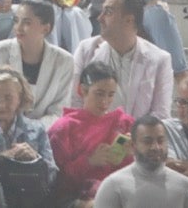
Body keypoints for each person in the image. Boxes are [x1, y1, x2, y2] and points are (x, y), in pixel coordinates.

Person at [0, 0, 75, 125]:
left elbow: (59, 110)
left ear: (46, 29)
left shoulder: (64, 61)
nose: (18, 28)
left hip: (44, 134)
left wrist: (32, 130)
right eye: (16, 21)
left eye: (27, 23)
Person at [72, 0, 174, 121]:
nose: (100, 18)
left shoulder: (160, 59)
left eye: (108, 12)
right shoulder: (86, 50)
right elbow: (75, 102)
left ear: (129, 20)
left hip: (137, 137)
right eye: (101, 11)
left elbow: (161, 114)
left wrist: (129, 137)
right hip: (90, 136)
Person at [50, 61, 135, 206]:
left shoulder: (125, 124)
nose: (105, 101)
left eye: (110, 95)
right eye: (99, 94)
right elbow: (56, 180)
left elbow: (142, 171)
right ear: (83, 90)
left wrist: (132, 155)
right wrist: (89, 162)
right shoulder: (64, 129)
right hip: (77, 198)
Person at [0, 67, 58, 193]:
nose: (1, 105)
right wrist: (0, 159)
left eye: (8, 98)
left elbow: (52, 175)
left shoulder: (37, 130)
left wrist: (36, 159)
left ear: (20, 98)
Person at [92, 113, 188, 208]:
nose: (156, 147)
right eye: (148, 142)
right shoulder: (113, 186)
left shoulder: (186, 186)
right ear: (133, 146)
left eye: (160, 141)